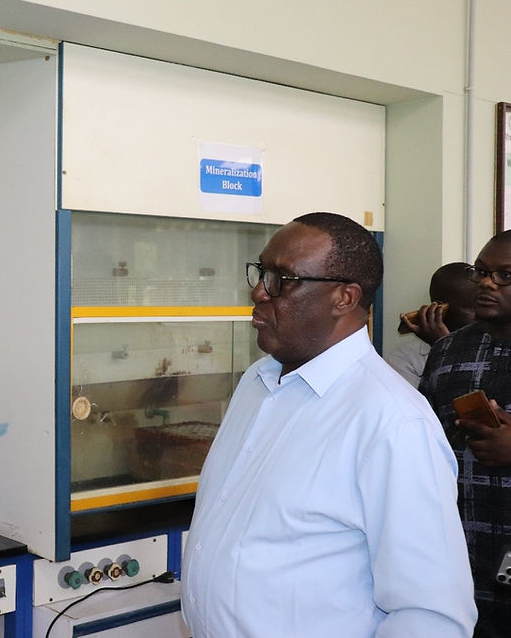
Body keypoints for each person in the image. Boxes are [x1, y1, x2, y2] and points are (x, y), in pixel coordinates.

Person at [181, 212, 476, 637]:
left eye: (282, 279)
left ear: (344, 298)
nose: (258, 291)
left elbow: (431, 616)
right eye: (262, 272)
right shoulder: (257, 382)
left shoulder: (393, 423)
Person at [419, 230, 511, 637]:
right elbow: (423, 444)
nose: (487, 283)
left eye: (505, 275)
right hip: (458, 564)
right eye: (482, 272)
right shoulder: (447, 350)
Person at [385, 261, 476, 387]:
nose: (484, 313)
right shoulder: (406, 359)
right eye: (472, 308)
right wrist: (444, 347)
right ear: (440, 309)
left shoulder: (498, 345)